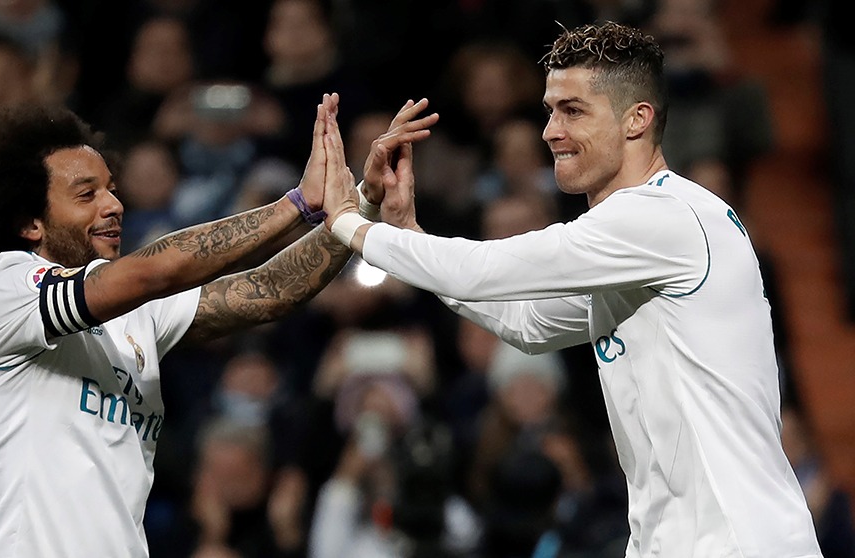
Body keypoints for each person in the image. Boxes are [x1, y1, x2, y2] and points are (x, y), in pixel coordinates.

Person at [320, 22, 823, 558]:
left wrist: (349, 222)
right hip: (672, 541)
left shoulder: (662, 217)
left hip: (737, 542)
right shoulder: (637, 244)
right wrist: (409, 237)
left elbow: (486, 268)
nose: (550, 131)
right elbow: (530, 325)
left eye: (573, 111)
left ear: (637, 119)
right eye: (550, 110)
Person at [0, 94, 434, 558]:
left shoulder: (137, 313)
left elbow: (269, 289)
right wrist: (296, 205)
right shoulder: (5, 292)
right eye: (86, 194)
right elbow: (155, 269)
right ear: (32, 223)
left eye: (111, 189)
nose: (113, 204)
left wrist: (359, 205)